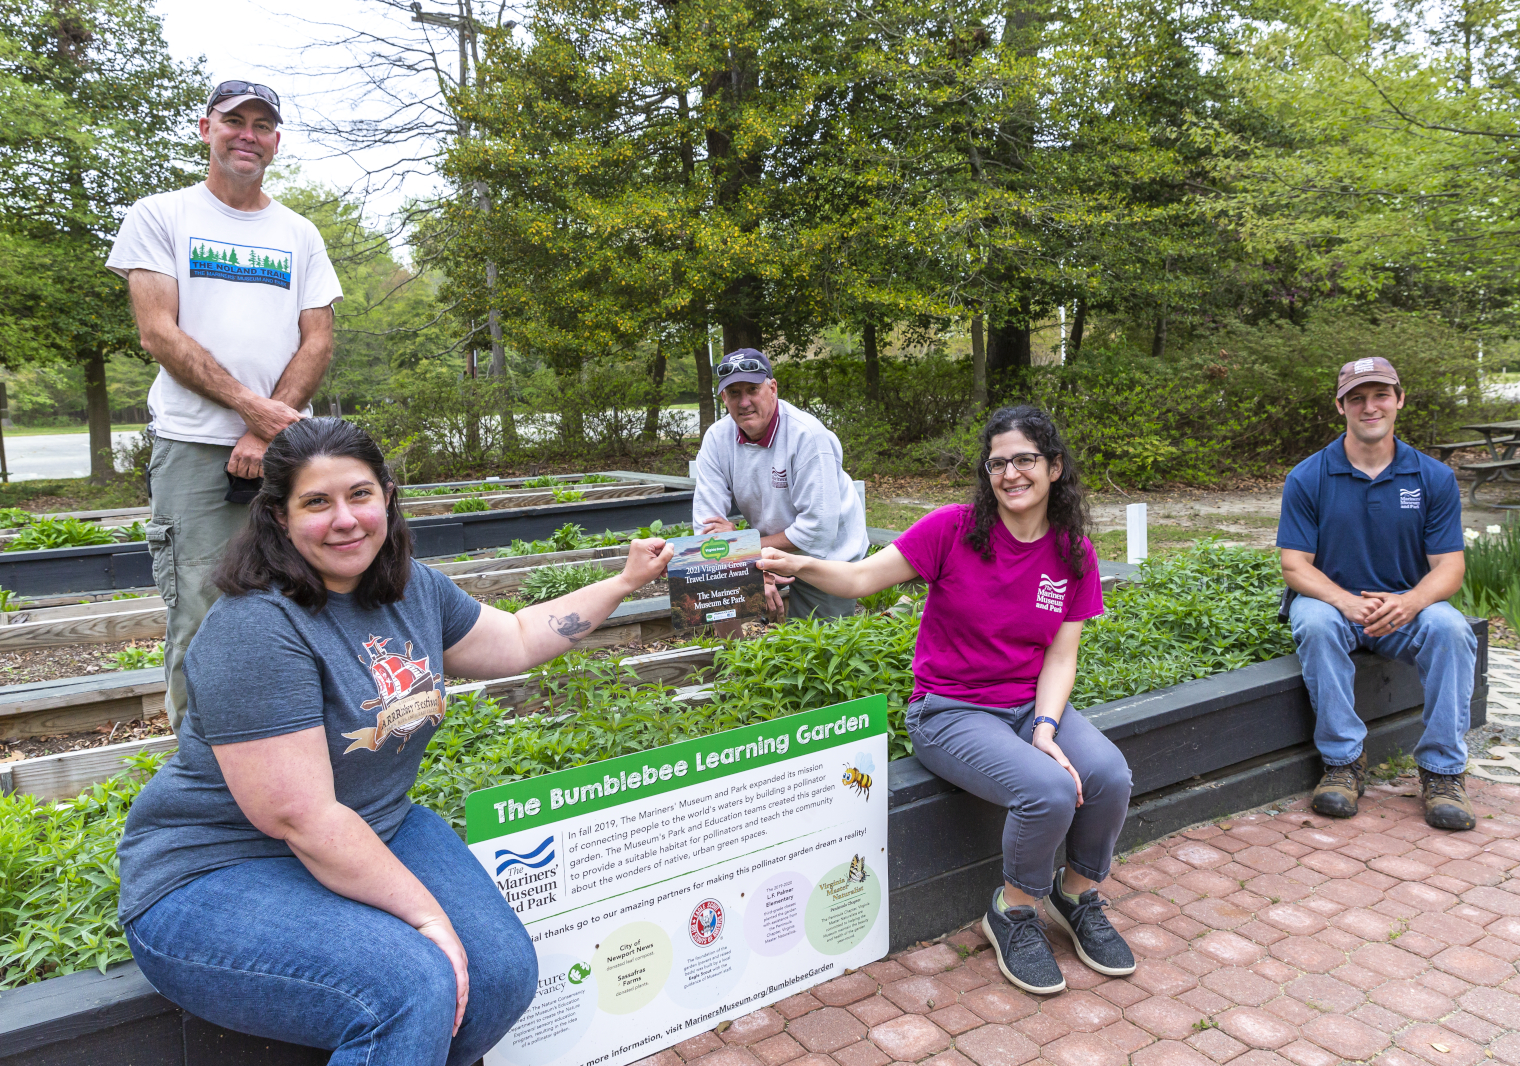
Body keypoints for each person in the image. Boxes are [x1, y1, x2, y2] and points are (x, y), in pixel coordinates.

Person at [116, 418, 674, 1065]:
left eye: (359, 495)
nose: (345, 519)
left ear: (386, 495)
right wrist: (430, 921)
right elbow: (302, 817)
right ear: (277, 517)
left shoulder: (411, 589)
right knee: (412, 986)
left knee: (499, 976)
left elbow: (519, 636)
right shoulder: (256, 627)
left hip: (376, 826)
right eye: (317, 503)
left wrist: (626, 580)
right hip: (217, 870)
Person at [758, 405, 1135, 995]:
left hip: (1025, 708)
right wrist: (797, 563)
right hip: (950, 711)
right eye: (998, 463)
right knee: (1049, 790)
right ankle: (1012, 913)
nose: (1011, 473)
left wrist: (1044, 726)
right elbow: (860, 580)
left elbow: (1062, 656)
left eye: (1025, 460)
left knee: (1109, 773)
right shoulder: (953, 529)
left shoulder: (1072, 551)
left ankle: (1077, 896)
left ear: (1055, 468)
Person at [106, 80, 343, 731]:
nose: (248, 133)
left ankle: (293, 752)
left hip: (289, 453)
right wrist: (253, 413)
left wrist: (269, 431)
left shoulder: (298, 232)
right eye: (233, 120)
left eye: (261, 124)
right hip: (195, 450)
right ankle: (202, 780)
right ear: (206, 128)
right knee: (205, 616)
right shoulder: (162, 216)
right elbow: (158, 331)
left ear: (276, 141)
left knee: (303, 601)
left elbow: (318, 336)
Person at [1278, 356, 1478, 831]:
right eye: (1357, 398)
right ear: (1341, 406)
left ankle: (1442, 772)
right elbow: (1294, 566)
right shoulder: (1309, 476)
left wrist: (1410, 602)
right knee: (1314, 621)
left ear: (1399, 400)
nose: (1370, 407)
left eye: (1380, 395)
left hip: (1402, 609)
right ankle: (1343, 763)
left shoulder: (1432, 477)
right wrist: (1346, 601)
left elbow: (1450, 568)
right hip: (1335, 604)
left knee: (1451, 628)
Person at [693, 348, 869, 621]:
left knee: (819, 652)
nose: (744, 402)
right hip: (772, 550)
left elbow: (818, 531)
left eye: (753, 389)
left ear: (772, 388)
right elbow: (706, 526)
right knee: (741, 632)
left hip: (827, 557)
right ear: (723, 398)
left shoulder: (807, 436)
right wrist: (751, 566)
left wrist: (744, 551)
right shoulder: (717, 439)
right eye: (735, 393)